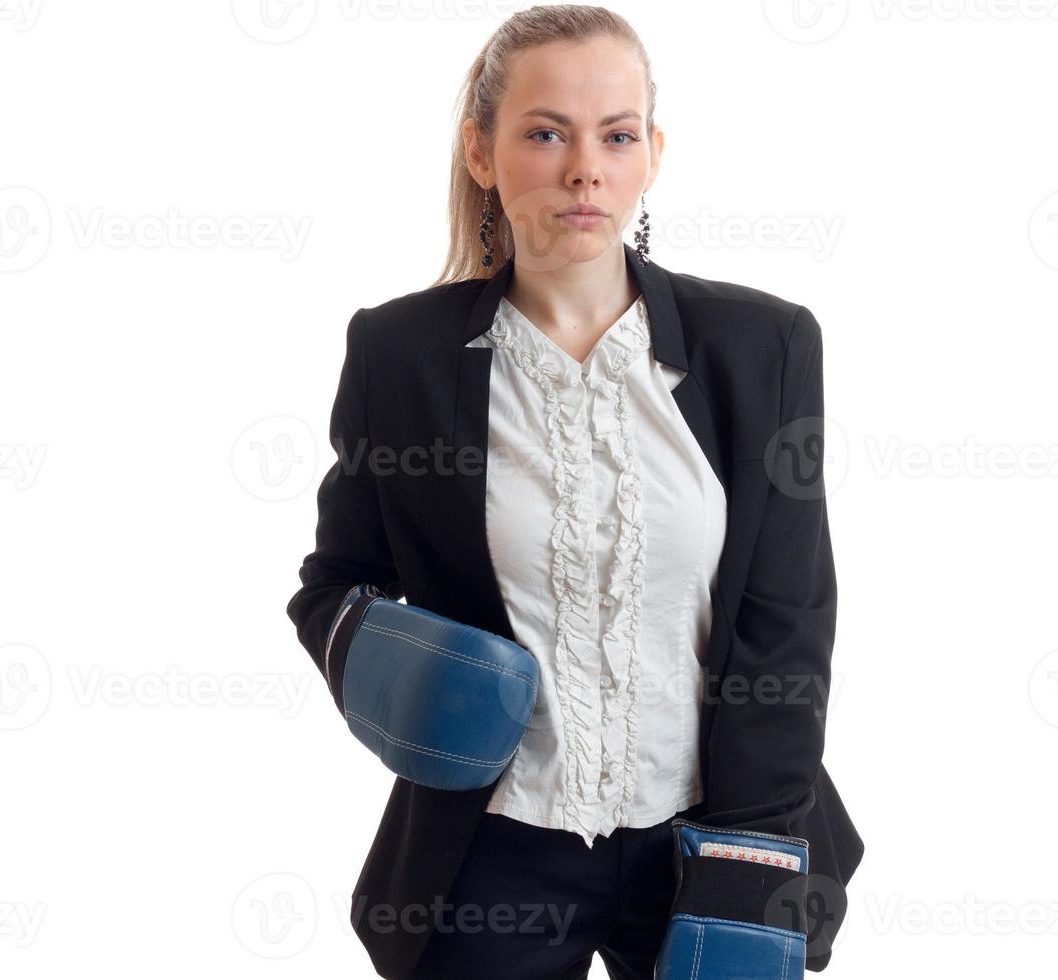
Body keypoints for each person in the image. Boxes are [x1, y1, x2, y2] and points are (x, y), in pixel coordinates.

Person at [285, 6, 863, 978]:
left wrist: (749, 862)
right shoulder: (402, 354)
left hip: (705, 842)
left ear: (653, 154)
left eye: (617, 134)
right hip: (491, 850)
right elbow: (335, 580)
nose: (586, 169)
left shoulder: (761, 348)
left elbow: (787, 621)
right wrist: (413, 686)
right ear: (481, 151)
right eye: (547, 132)